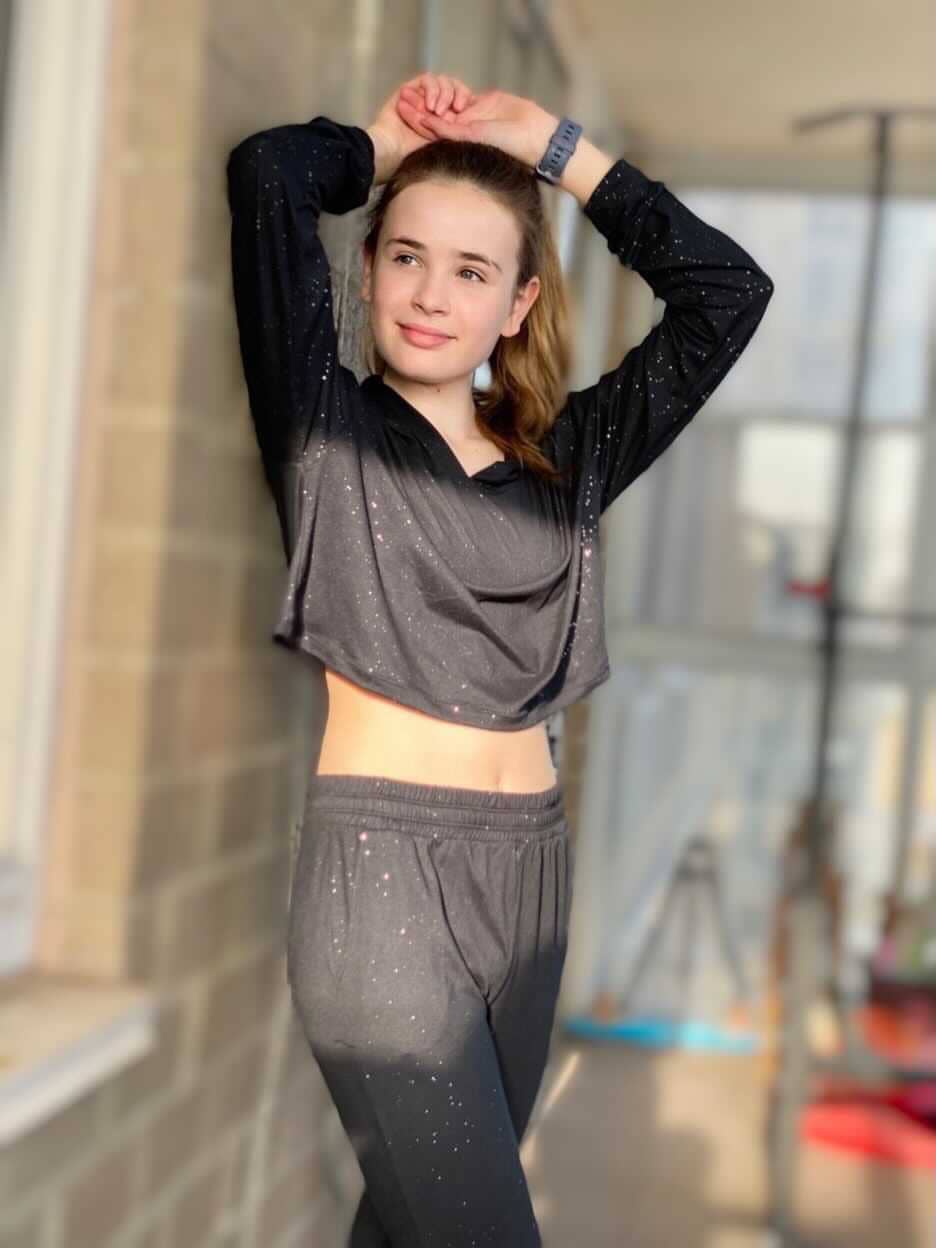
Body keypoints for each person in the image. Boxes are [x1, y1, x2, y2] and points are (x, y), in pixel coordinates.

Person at [226, 71, 774, 1247]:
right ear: (368, 272)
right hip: (382, 887)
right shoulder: (326, 429)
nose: (431, 295)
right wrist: (388, 143)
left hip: (529, 881)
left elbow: (729, 293)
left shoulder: (567, 462)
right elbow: (269, 173)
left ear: (519, 303)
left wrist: (553, 146)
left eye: (472, 271)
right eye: (407, 257)